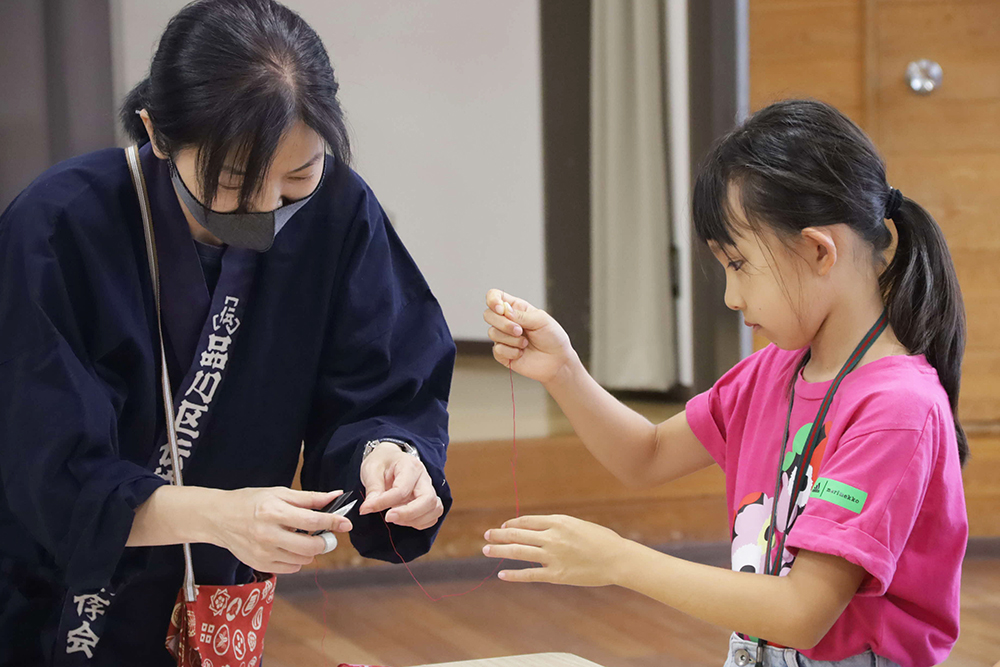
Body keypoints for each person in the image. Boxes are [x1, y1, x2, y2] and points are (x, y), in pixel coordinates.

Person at [0, 0, 455, 663]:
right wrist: (219, 514)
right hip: (45, 601)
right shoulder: (59, 225)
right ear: (158, 134)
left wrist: (388, 455)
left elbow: (380, 383)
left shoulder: (337, 212)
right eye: (236, 184)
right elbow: (47, 462)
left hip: (214, 596)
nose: (268, 211)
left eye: (298, 175)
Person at [481, 100, 967, 667]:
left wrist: (619, 561)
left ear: (817, 249)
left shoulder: (897, 408)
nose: (731, 298)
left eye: (738, 265)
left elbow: (802, 612)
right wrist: (564, 370)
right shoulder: (772, 370)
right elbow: (647, 454)